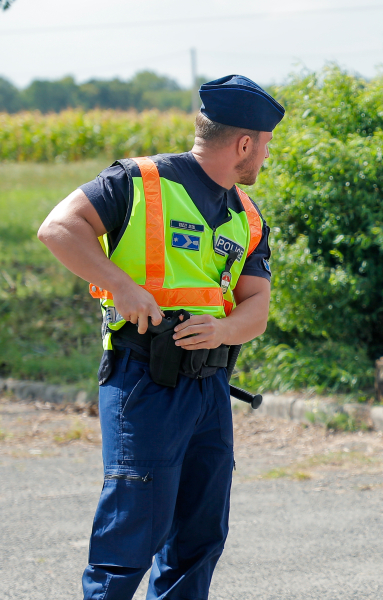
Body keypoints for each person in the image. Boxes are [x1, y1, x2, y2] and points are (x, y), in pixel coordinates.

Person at [37, 74, 284, 600]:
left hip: (210, 389)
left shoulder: (247, 216)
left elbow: (256, 309)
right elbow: (58, 228)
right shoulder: (138, 181)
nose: (266, 156)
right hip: (144, 381)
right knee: (130, 536)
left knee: (199, 540)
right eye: (265, 145)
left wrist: (222, 329)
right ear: (244, 144)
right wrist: (122, 287)